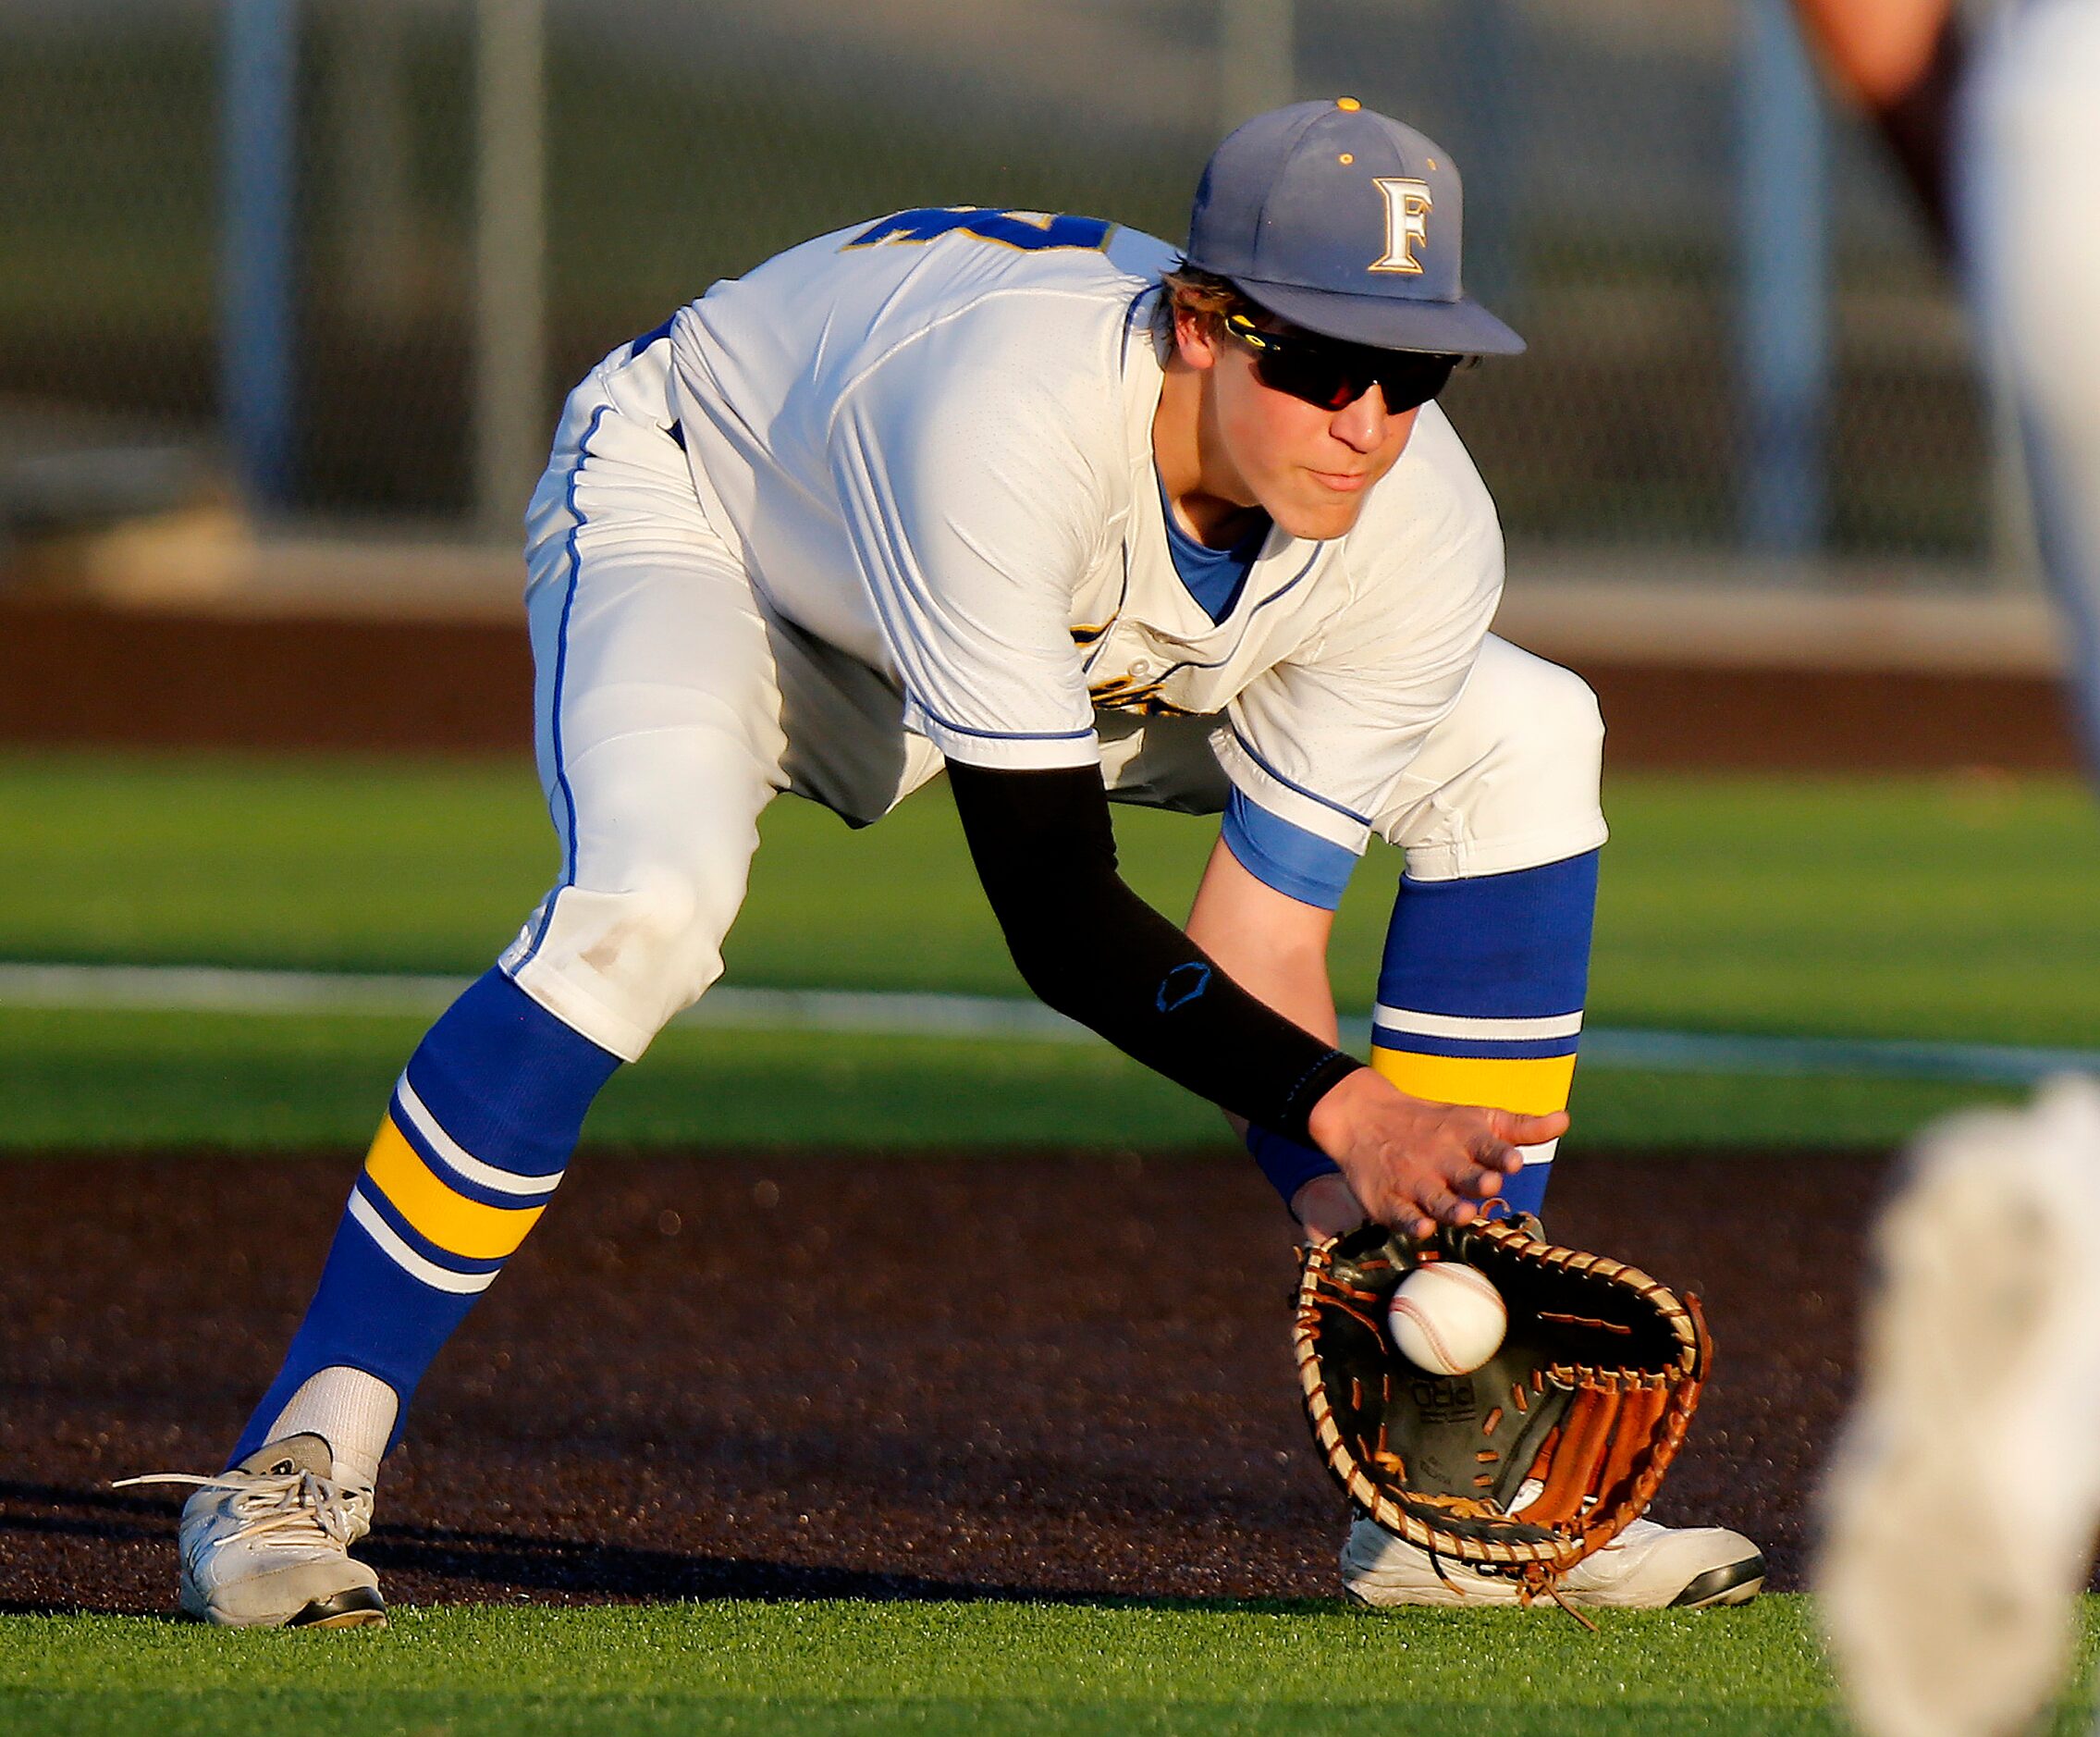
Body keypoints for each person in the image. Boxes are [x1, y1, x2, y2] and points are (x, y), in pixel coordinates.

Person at [130, 99, 1760, 1627]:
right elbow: (1056, 918)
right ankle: (295, 1457)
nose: (1368, 422)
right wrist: (1343, 1111)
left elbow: (1255, 942)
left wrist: (1389, 1245)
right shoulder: (1012, 414)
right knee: (647, 908)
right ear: (1202, 322)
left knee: (1524, 727)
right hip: (729, 540)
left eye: (1418, 376)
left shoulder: (1417, 528)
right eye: (1327, 358)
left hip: (1055, 642)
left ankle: (1457, 1483)